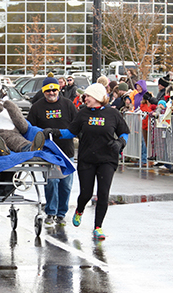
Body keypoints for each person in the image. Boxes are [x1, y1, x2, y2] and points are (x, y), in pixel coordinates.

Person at [55, 83, 130, 240]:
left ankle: (98, 227)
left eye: (87, 96)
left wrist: (120, 143)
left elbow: (124, 132)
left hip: (107, 159)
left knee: (103, 194)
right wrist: (53, 133)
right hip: (87, 159)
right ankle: (80, 209)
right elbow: (70, 132)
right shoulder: (83, 113)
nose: (85, 98)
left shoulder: (113, 114)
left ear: (96, 97)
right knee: (86, 193)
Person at [27, 77, 78, 226]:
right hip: (48, 153)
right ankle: (51, 212)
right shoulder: (37, 107)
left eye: (54, 89)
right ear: (43, 91)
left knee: (66, 184)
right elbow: (29, 128)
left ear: (59, 90)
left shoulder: (68, 105)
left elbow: (76, 126)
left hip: (66, 151)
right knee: (51, 182)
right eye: (48, 90)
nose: (51, 93)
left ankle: (62, 213)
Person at [0, 77, 45, 156]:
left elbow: (24, 127)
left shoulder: (6, 105)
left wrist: (12, 109)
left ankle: (30, 148)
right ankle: (2, 150)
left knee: (18, 141)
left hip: (12, 134)